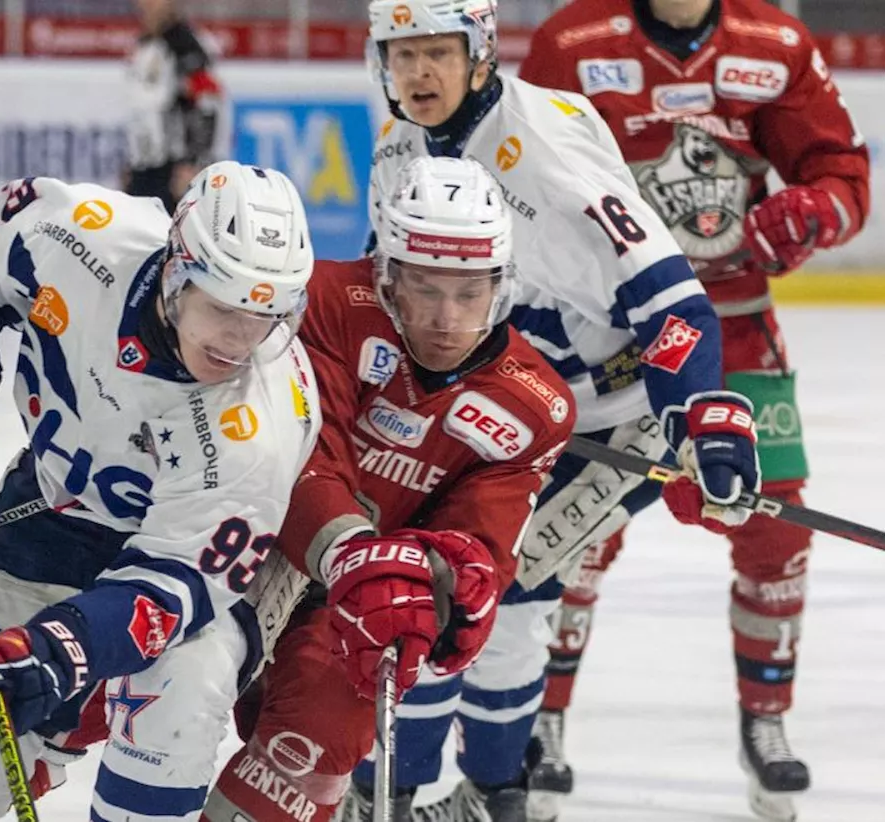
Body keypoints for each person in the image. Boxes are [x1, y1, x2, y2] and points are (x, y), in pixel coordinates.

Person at [328, 1, 764, 820]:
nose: (418, 74)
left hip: (611, 416)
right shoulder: (396, 149)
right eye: (402, 54)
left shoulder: (547, 153)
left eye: (436, 53)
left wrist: (693, 419)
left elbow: (674, 307)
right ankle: (444, 789)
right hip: (495, 401)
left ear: (481, 52)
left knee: (497, 589)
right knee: (431, 578)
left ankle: (477, 792)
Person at [0, 160, 322, 822]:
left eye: (263, 317)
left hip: (204, 558)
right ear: (176, 272)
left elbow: (170, 590)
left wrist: (60, 652)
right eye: (222, 309)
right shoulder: (84, 235)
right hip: (53, 510)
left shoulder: (260, 422)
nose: (241, 342)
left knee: (178, 698)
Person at [517, 1, 870, 819]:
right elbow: (521, 182)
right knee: (573, 531)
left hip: (737, 332)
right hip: (607, 334)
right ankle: (542, 722)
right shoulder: (573, 42)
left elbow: (843, 176)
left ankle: (766, 722)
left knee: (775, 528)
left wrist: (814, 209)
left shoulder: (775, 43)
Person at [201, 155, 578, 822]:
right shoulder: (323, 304)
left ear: (504, 285)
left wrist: (447, 585)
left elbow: (477, 543)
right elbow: (304, 457)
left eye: (470, 293)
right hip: (236, 547)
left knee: (316, 739)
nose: (447, 318)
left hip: (356, 600)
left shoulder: (534, 407)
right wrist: (356, 554)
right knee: (154, 721)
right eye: (426, 290)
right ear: (388, 274)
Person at [124, 0, 223, 214]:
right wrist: (133, 162)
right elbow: (144, 108)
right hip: (145, 163)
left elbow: (206, 100)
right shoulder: (146, 43)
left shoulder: (185, 43)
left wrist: (193, 162)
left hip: (173, 166)